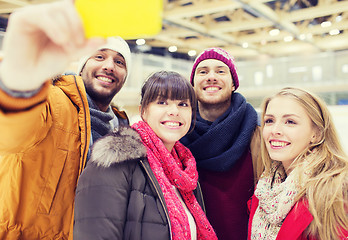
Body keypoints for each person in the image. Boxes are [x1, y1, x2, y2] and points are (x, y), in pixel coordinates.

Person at [0, 1, 131, 239]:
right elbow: (9, 134)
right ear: (81, 67)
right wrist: (18, 83)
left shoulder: (122, 127)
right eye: (99, 56)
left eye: (119, 62)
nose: (109, 66)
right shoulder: (52, 100)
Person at [73, 71, 218, 240]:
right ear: (143, 111)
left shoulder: (185, 172)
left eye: (183, 104)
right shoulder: (114, 160)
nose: (174, 111)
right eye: (162, 102)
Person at [180, 47, 262, 239]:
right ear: (193, 84)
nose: (211, 77)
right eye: (203, 71)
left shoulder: (258, 132)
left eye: (220, 71)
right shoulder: (177, 133)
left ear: (233, 84)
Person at [248, 87, 348, 240]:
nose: (275, 130)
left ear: (317, 133)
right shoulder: (265, 188)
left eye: (290, 122)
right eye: (269, 121)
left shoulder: (337, 190)